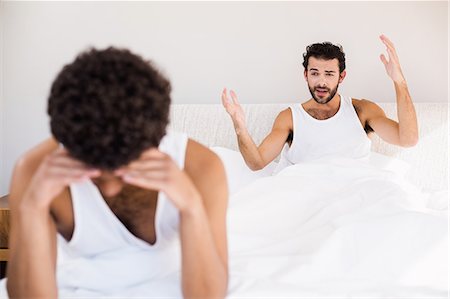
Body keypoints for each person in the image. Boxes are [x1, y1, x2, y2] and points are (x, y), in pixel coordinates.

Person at [5, 48, 228, 298]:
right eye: (93, 174)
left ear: (157, 143)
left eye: (125, 172)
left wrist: (191, 206)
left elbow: (208, 295)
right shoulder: (33, 171)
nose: (110, 189)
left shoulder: (202, 169)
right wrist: (32, 207)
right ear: (65, 145)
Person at [222, 35, 418, 171]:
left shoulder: (362, 110)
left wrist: (399, 81)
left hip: (354, 192)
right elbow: (257, 163)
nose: (321, 82)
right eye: (315, 73)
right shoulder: (290, 118)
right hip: (305, 194)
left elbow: (408, 139)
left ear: (341, 77)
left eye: (329, 74)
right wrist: (239, 126)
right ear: (306, 75)